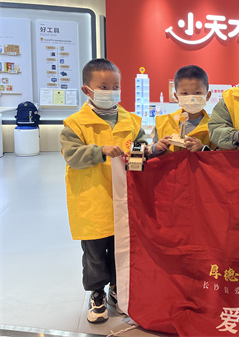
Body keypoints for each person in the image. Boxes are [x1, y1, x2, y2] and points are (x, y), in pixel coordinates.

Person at [60, 58, 149, 324]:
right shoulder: (76, 124)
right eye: (103, 87)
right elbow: (72, 155)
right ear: (87, 90)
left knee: (121, 248)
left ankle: (118, 289)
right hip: (93, 200)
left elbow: (142, 144)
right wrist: (100, 151)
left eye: (115, 87)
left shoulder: (131, 121)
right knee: (95, 254)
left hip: (124, 200)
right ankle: (96, 293)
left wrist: (146, 150)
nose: (110, 92)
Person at [151, 65, 216, 154]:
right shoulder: (163, 123)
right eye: (185, 93)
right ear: (176, 96)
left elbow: (219, 157)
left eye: (197, 93)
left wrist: (203, 149)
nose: (191, 98)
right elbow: (150, 153)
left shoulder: (214, 127)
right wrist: (156, 148)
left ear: (207, 96)